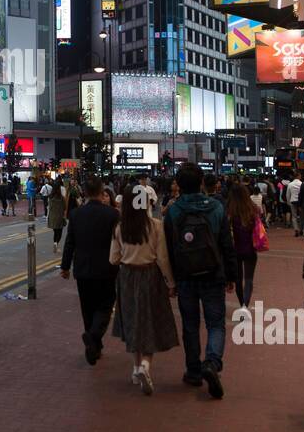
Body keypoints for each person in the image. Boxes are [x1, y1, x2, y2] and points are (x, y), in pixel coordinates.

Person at [163, 165, 236, 398]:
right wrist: (231, 275)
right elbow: (226, 243)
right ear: (202, 182)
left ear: (178, 184)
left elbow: (169, 248)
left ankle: (193, 371)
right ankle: (212, 363)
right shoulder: (216, 207)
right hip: (213, 274)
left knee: (190, 324)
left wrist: (171, 280)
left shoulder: (173, 211)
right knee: (215, 323)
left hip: (185, 277)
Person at [110, 182, 178, 395]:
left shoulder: (120, 227)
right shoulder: (156, 225)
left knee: (132, 321)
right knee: (149, 321)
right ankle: (146, 365)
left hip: (127, 277)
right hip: (150, 276)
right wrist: (171, 282)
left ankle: (135, 366)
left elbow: (113, 259)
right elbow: (163, 257)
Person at [60, 178, 121, 365]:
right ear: (101, 190)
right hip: (107, 268)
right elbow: (119, 240)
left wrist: (65, 266)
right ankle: (93, 336)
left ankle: (94, 346)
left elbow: (70, 242)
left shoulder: (76, 214)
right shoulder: (112, 214)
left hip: (83, 269)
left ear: (84, 192)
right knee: (105, 305)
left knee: (87, 308)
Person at [227, 183, 261, 321]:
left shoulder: (229, 211)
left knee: (238, 279)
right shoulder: (252, 210)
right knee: (249, 280)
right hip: (250, 249)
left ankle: (242, 303)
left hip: (234, 250)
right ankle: (245, 307)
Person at [46, 176, 67, 252]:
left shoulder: (50, 198)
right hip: (59, 217)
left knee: (55, 232)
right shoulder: (61, 198)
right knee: (59, 232)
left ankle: (55, 243)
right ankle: (56, 243)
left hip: (52, 217)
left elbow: (48, 207)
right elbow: (65, 208)